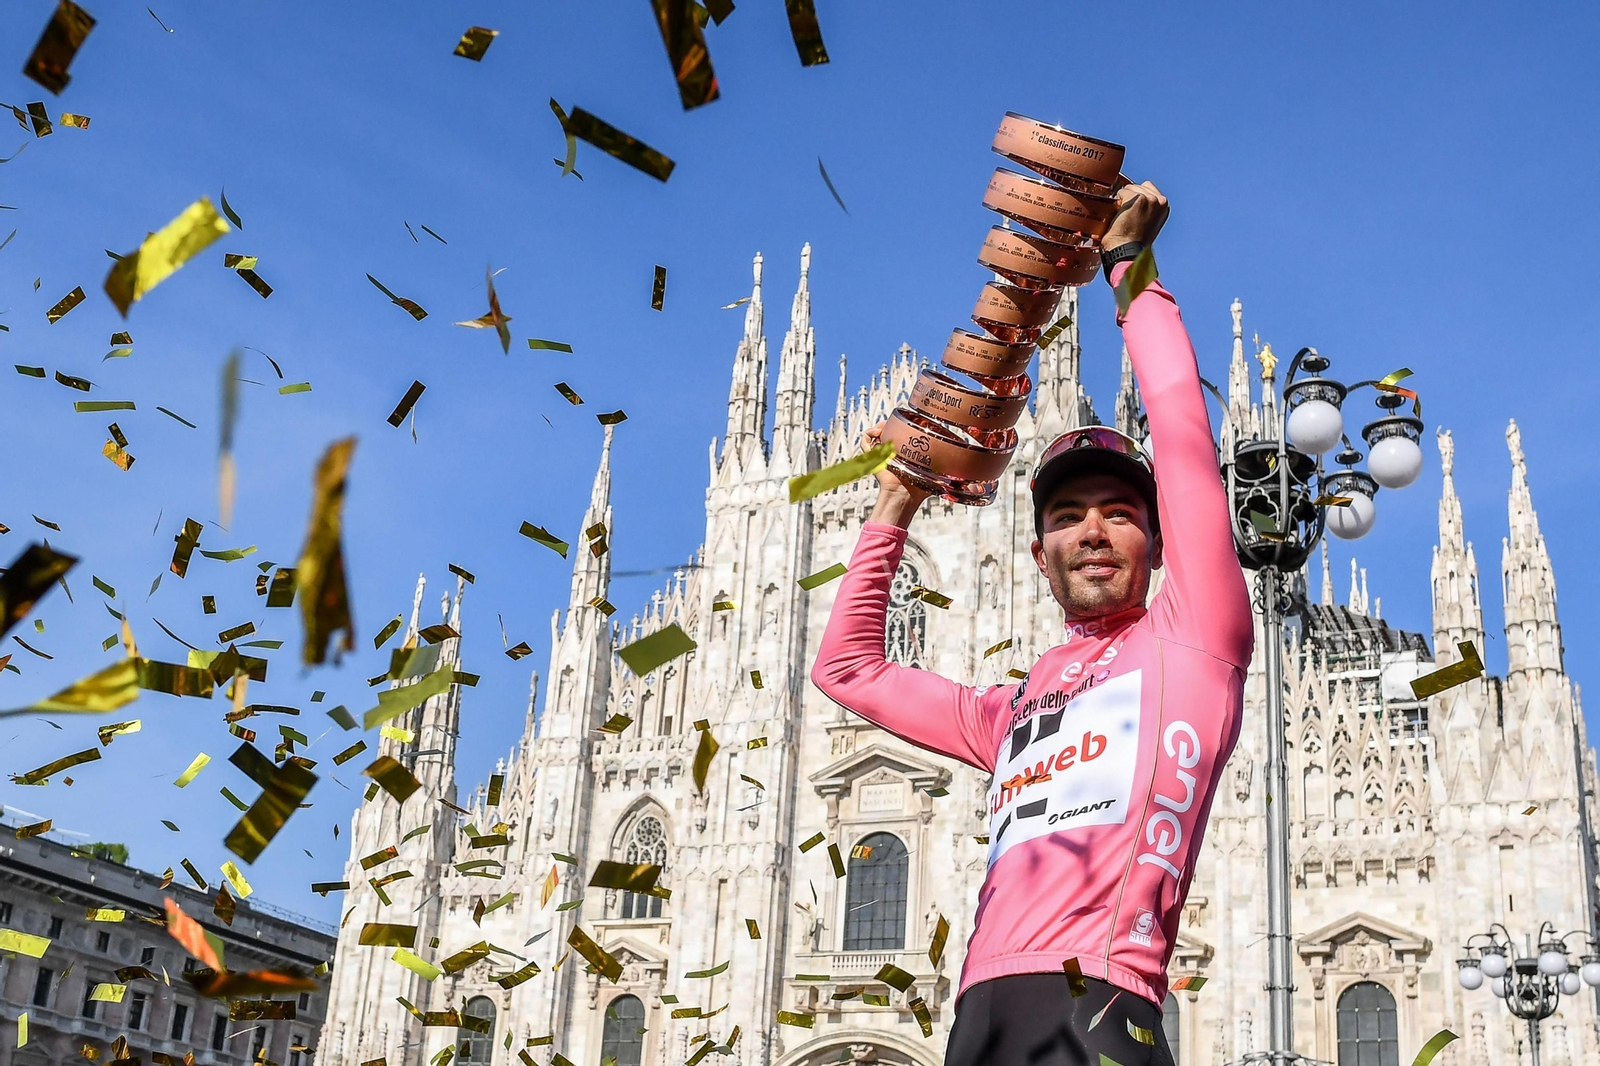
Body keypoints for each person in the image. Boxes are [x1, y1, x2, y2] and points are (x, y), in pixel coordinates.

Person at [811, 181, 1253, 1066]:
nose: (1092, 530)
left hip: (1099, 1002)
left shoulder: (1193, 642)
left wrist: (1130, 270)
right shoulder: (1013, 711)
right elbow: (847, 670)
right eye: (1067, 516)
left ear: (1161, 541)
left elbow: (1180, 432)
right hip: (978, 1015)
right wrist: (894, 504)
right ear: (1039, 554)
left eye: (1119, 513)